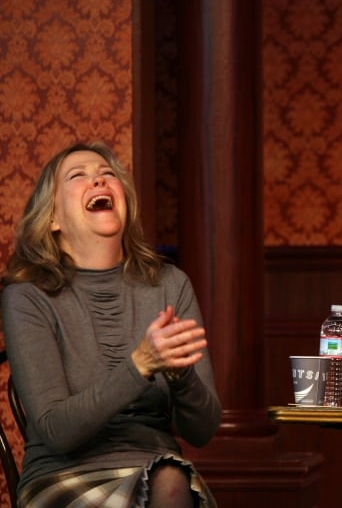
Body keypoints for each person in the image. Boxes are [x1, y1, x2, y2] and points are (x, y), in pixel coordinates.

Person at [1, 142, 222, 507]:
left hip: (160, 474)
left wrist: (184, 378)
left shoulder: (169, 284)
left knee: (169, 478)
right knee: (171, 481)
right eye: (79, 176)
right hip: (64, 478)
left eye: (107, 175)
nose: (99, 182)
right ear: (53, 218)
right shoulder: (27, 295)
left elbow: (202, 432)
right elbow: (57, 431)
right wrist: (140, 365)